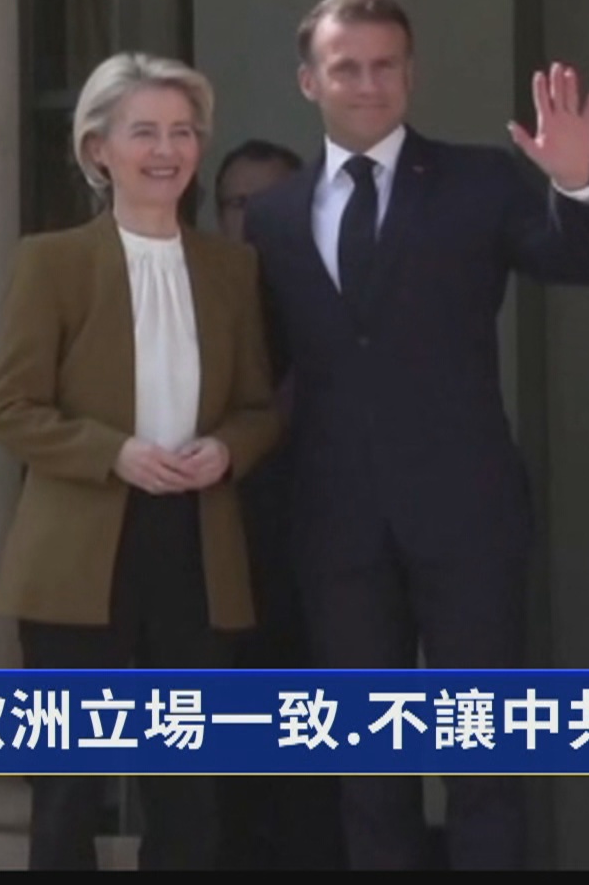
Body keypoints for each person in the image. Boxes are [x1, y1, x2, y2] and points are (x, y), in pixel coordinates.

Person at [240, 0, 589, 871]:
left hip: (466, 518)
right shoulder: (274, 217)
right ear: (309, 82)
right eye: (346, 67)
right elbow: (257, 365)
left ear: (411, 75)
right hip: (338, 527)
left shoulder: (478, 182)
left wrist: (577, 184)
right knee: (368, 772)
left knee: (484, 765)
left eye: (386, 66)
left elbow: (575, 260)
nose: (368, 84)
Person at [0, 52, 282, 871]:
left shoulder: (232, 269)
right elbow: (12, 410)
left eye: (183, 132)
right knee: (67, 786)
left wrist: (226, 450)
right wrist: (114, 453)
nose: (166, 150)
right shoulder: (52, 261)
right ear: (98, 149)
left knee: (189, 789)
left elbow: (260, 407)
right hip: (79, 551)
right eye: (144, 131)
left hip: (197, 543)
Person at [208, 140, 347, 872]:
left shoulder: (351, 303)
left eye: (276, 203)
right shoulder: (190, 307)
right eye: (241, 205)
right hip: (217, 577)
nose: (257, 220)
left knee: (320, 801)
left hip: (331, 583)